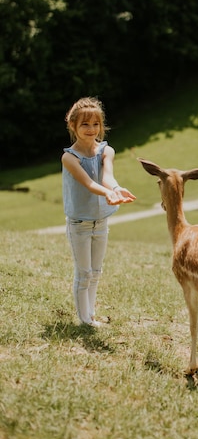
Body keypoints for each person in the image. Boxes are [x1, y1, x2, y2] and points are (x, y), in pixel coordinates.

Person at [62, 96, 136, 327]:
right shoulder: (69, 157)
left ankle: (90, 315)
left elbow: (106, 177)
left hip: (101, 221)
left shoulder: (107, 150)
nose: (91, 129)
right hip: (79, 224)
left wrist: (116, 188)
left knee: (96, 272)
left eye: (96, 124)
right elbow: (88, 183)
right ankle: (84, 321)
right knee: (83, 273)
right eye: (85, 124)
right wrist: (107, 194)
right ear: (73, 126)